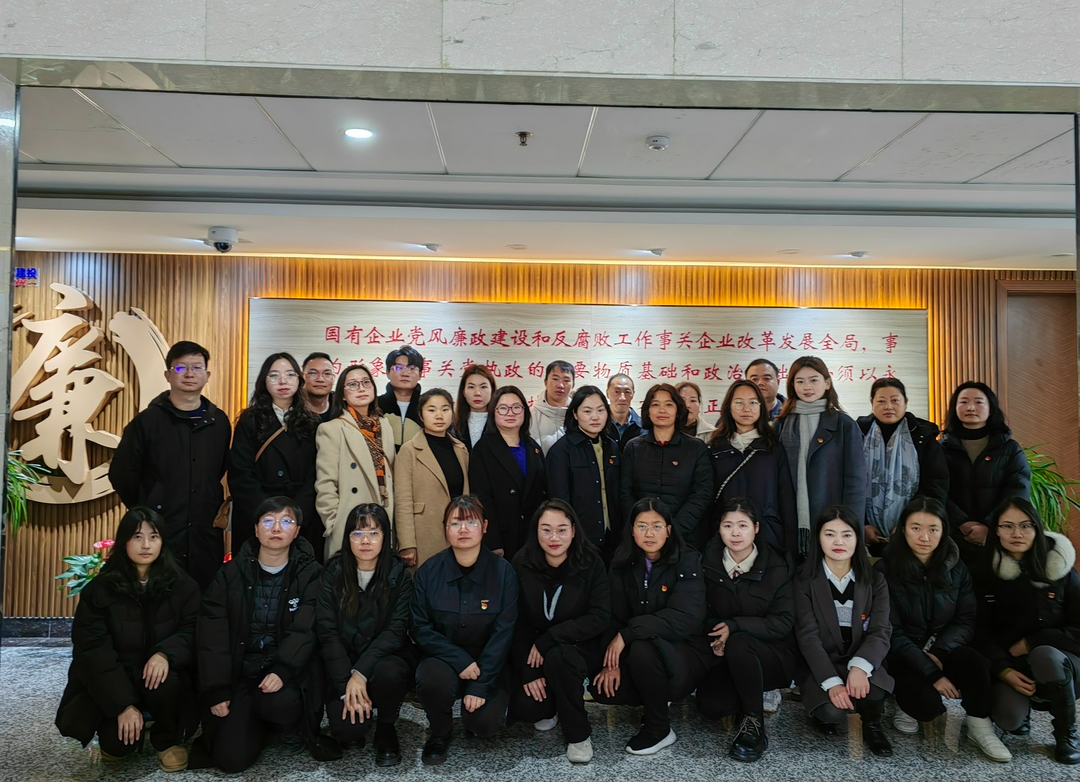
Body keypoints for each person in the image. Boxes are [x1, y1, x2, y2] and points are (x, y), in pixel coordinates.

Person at [55, 507, 199, 772]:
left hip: (160, 680)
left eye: (154, 537)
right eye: (137, 537)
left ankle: (167, 740)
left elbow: (192, 630)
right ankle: (128, 720)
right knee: (117, 745)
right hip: (117, 679)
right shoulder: (100, 590)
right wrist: (122, 705)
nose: (146, 545)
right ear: (124, 541)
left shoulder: (182, 585)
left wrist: (165, 653)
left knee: (167, 680)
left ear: (163, 541)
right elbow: (92, 651)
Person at [195, 496, 331, 772]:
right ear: (256, 529)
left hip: (286, 672)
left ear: (297, 531)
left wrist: (283, 669)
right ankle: (255, 724)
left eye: (286, 521)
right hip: (242, 672)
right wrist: (217, 688)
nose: (277, 528)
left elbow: (307, 628)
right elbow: (212, 634)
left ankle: (284, 726)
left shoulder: (311, 574)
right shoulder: (230, 574)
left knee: (283, 703)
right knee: (230, 760)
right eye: (268, 521)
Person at [875, 496, 1010, 761]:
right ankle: (903, 702)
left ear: (944, 531)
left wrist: (938, 652)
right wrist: (931, 671)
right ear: (902, 529)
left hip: (943, 648)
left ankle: (980, 726)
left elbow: (965, 620)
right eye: (916, 528)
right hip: (903, 654)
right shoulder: (885, 569)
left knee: (973, 662)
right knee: (926, 707)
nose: (924, 537)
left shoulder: (957, 568)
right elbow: (890, 630)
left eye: (933, 529)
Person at [590, 498, 711, 755]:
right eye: (642, 526)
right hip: (641, 651)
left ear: (668, 530)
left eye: (657, 526)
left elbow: (685, 616)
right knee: (604, 689)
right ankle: (655, 698)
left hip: (684, 651)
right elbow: (613, 617)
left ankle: (659, 728)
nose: (649, 533)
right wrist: (610, 664)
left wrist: (628, 634)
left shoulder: (687, 559)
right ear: (632, 530)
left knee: (642, 650)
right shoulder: (621, 563)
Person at [109, 340, 231, 590]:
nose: (189, 374)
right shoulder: (147, 422)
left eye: (196, 367)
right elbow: (122, 473)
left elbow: (217, 470)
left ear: (207, 375)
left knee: (204, 595)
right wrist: (148, 507)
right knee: (159, 594)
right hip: (160, 528)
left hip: (204, 530)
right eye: (180, 368)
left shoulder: (219, 422)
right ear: (168, 375)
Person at [411, 496, 519, 765]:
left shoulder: (503, 572)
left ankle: (478, 714)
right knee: (431, 679)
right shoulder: (429, 571)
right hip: (443, 658)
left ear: (484, 527)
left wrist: (481, 684)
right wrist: (459, 660)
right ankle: (439, 732)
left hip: (488, 662)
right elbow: (420, 627)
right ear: (445, 528)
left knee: (484, 724)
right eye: (455, 523)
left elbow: (504, 633)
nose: (463, 529)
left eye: (471, 522)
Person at [974, 497, 1080, 765]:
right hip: (1014, 665)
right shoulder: (986, 572)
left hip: (1063, 661)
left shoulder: (1061, 567)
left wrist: (1033, 641)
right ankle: (1025, 711)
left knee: (1045, 655)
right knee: (1009, 719)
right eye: (1007, 526)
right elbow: (980, 633)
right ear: (996, 531)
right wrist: (1003, 670)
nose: (1017, 533)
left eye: (1025, 525)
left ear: (1037, 528)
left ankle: (1066, 734)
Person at [510, 500, 611, 764]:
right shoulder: (521, 562)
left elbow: (600, 616)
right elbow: (516, 621)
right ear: (536, 531)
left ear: (574, 531)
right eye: (546, 530)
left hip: (579, 645)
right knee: (529, 709)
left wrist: (551, 638)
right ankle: (554, 703)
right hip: (534, 651)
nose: (554, 537)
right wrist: (528, 671)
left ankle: (578, 735)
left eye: (562, 529)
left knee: (560, 658)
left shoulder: (591, 562)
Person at [697, 499, 797, 763]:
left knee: (740, 642)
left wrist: (735, 626)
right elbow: (696, 613)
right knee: (712, 707)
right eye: (727, 525)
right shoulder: (705, 563)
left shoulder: (777, 565)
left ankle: (754, 726)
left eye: (743, 525)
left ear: (756, 528)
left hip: (772, 653)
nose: (735, 533)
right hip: (723, 654)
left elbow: (783, 622)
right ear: (719, 528)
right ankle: (748, 697)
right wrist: (716, 636)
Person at [316, 504, 415, 767]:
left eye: (374, 533)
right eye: (357, 534)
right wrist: (345, 682)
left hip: (383, 659)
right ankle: (357, 709)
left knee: (391, 672)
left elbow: (396, 630)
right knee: (348, 731)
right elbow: (327, 632)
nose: (365, 541)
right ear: (347, 538)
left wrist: (360, 673)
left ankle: (386, 728)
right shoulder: (333, 572)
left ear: (385, 537)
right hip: (343, 662)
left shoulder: (398, 573)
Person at [794, 505, 894, 757]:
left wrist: (860, 667)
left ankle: (872, 723)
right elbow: (808, 637)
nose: (838, 541)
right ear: (818, 538)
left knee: (874, 690)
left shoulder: (875, 580)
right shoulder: (804, 580)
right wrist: (832, 683)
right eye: (829, 534)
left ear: (857, 538)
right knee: (832, 711)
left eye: (847, 534)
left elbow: (881, 630)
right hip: (822, 662)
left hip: (859, 657)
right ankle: (820, 713)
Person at [229, 352, 322, 560]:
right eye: (274, 375)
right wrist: (268, 514)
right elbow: (240, 472)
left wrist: (294, 515)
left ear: (299, 380)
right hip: (258, 513)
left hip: (299, 515)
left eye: (290, 374)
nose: (282, 381)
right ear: (264, 381)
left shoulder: (313, 422)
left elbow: (317, 475)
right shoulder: (250, 420)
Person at [776, 355, 867, 560]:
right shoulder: (782, 424)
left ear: (827, 383)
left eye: (813, 380)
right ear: (792, 386)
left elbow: (856, 481)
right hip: (789, 518)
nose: (807, 387)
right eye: (800, 381)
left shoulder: (844, 425)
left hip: (833, 520)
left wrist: (849, 524)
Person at [857, 377, 949, 555]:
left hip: (913, 533)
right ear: (872, 403)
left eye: (895, 400)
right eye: (881, 401)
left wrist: (909, 523)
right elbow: (850, 484)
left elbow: (935, 486)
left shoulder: (923, 437)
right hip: (865, 535)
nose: (888, 406)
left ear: (905, 402)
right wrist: (862, 523)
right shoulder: (857, 434)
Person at [941, 381, 1030, 559]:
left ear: (990, 409)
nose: (971, 407)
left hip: (998, 535)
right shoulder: (941, 449)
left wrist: (990, 526)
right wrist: (963, 523)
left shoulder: (1010, 449)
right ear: (955, 408)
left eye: (979, 402)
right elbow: (936, 490)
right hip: (952, 536)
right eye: (963, 402)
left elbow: (1017, 492)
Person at [315, 365, 395, 560]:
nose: (361, 388)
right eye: (352, 384)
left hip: (383, 516)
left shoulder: (384, 426)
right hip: (350, 523)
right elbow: (326, 483)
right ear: (342, 394)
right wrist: (334, 523)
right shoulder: (332, 429)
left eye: (366, 382)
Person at [707, 380, 795, 556]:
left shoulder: (772, 447)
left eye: (753, 402)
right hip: (725, 537)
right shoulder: (715, 448)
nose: (746, 408)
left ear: (761, 407)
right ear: (728, 407)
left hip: (768, 536)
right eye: (739, 402)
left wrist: (790, 547)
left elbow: (785, 498)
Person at [619, 383, 712, 546]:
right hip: (642, 538)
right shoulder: (633, 447)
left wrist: (673, 530)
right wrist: (642, 527)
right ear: (648, 410)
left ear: (678, 410)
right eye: (655, 404)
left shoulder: (696, 448)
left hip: (684, 538)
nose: (662, 410)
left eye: (669, 404)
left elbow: (702, 493)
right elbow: (625, 492)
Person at [469, 386, 547, 561]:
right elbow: (481, 498)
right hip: (502, 537)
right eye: (503, 408)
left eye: (516, 407)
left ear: (524, 411)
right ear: (493, 412)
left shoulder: (533, 447)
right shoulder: (483, 449)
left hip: (533, 535)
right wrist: (493, 541)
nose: (510, 413)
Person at [396, 388, 470, 569]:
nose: (439, 415)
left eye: (445, 409)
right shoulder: (409, 450)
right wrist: (406, 544)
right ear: (421, 415)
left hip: (459, 533)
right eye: (431, 410)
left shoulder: (461, 449)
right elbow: (403, 501)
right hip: (425, 534)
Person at [545, 386, 621, 559]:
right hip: (580, 539)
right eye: (587, 411)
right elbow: (560, 501)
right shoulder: (561, 451)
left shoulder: (612, 446)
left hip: (613, 537)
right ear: (575, 414)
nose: (595, 417)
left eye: (600, 410)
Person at [376, 345, 424, 450]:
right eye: (399, 368)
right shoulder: (375, 404)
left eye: (412, 368)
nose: (405, 373)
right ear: (388, 373)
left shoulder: (427, 406)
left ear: (420, 374)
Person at [530, 360, 575, 454]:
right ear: (546, 383)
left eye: (566, 380)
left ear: (573, 386)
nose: (560, 385)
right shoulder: (531, 416)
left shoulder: (578, 415)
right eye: (555, 379)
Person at [452, 363, 496, 450]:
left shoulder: (501, 422)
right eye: (471, 387)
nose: (477, 393)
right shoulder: (453, 424)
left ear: (492, 390)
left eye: (483, 387)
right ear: (464, 392)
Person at [604, 373, 643, 450]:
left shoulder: (643, 427)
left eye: (627, 392)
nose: (622, 398)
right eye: (616, 392)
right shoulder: (599, 424)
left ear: (633, 394)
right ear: (607, 393)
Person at [301, 352, 338, 423]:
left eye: (327, 374)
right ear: (303, 377)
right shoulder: (291, 408)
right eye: (313, 373)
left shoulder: (342, 408)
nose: (320, 379)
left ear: (333, 378)